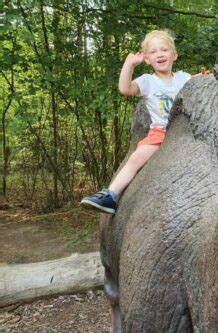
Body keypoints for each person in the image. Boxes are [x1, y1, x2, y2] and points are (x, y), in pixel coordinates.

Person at [80, 30, 191, 214]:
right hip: (160, 133)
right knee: (136, 157)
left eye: (164, 49)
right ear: (147, 59)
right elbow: (124, 89)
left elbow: (200, 85)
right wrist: (129, 64)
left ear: (174, 55)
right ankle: (111, 195)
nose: (159, 54)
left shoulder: (183, 77)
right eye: (153, 52)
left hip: (185, 131)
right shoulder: (148, 81)